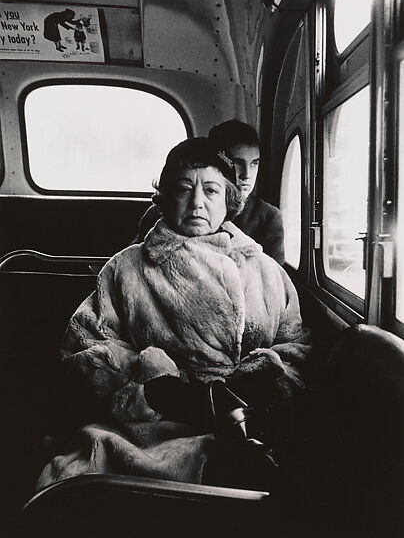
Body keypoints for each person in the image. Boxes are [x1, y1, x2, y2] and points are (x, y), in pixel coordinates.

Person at [38, 138, 309, 491]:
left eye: (211, 191)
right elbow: (85, 343)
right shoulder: (127, 267)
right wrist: (156, 390)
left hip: (249, 421)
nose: (197, 202)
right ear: (165, 198)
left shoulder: (264, 269)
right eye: (184, 189)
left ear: (229, 201)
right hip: (152, 427)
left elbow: (299, 345)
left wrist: (262, 380)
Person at [133, 120, 285, 265]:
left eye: (254, 163)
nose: (247, 174)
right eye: (237, 163)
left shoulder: (268, 218)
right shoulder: (160, 214)